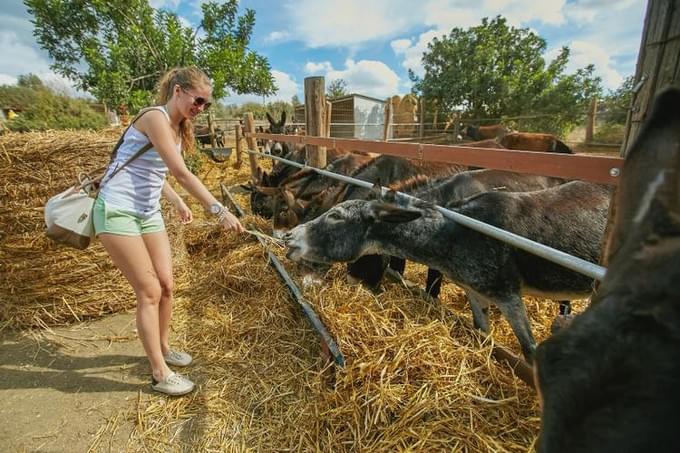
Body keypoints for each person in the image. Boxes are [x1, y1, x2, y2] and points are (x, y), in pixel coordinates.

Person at [93, 67, 244, 396]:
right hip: (118, 210)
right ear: (178, 91)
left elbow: (155, 172)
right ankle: (159, 374)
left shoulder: (178, 128)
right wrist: (218, 209)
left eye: (206, 104)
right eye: (198, 99)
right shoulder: (155, 117)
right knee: (149, 291)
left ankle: (162, 348)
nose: (201, 107)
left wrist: (175, 201)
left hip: (147, 211)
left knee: (167, 285)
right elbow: (180, 171)